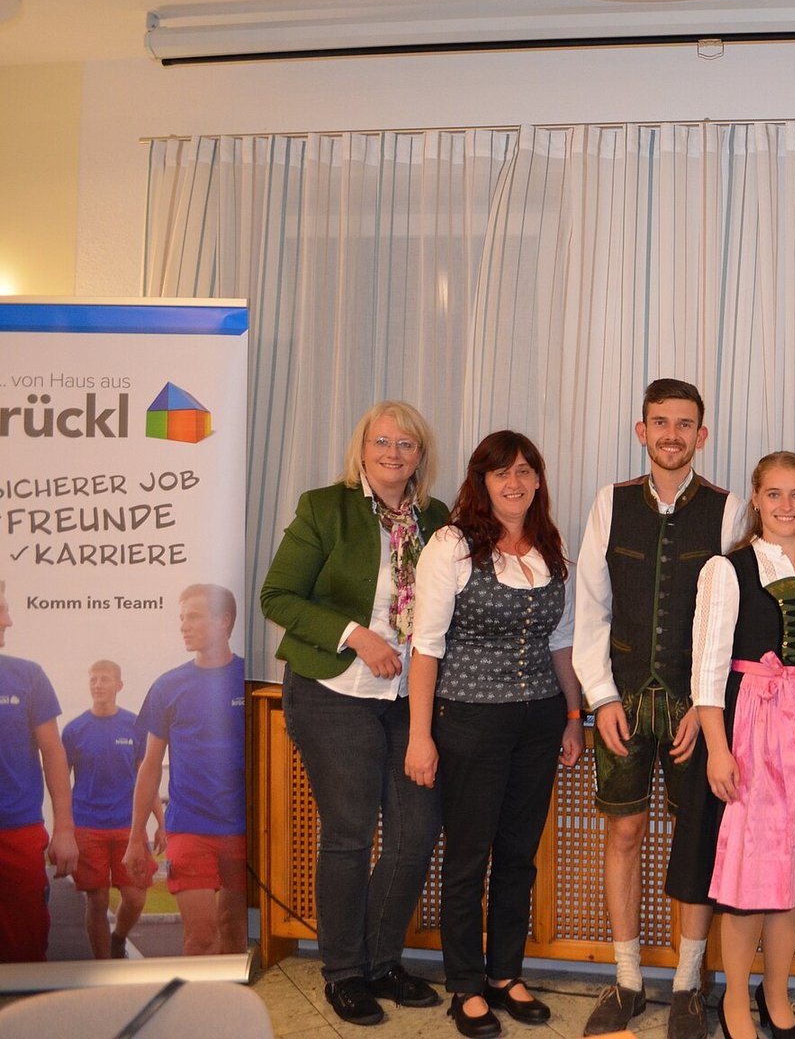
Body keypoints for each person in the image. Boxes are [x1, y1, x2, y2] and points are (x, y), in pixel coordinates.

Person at [259, 400, 448, 1025]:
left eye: (406, 444)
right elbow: (277, 595)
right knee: (349, 834)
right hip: (333, 691)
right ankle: (343, 973)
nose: (393, 453)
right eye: (382, 441)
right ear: (361, 449)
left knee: (415, 833)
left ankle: (383, 963)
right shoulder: (324, 508)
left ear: (421, 456)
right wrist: (355, 634)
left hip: (409, 700)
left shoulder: (438, 520)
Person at [573, 379, 744, 1039]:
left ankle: (687, 986)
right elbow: (591, 608)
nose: (672, 435)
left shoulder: (728, 510)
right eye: (660, 423)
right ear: (641, 431)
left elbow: (731, 623)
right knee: (623, 833)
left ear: (702, 435)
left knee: (695, 840)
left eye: (684, 424)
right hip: (620, 702)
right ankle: (626, 980)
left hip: (693, 709)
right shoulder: (610, 503)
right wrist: (600, 697)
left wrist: (705, 709)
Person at [406, 430, 585, 1039]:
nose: (515, 482)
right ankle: (464, 984)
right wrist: (420, 736)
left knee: (517, 855)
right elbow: (426, 648)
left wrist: (573, 716)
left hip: (538, 721)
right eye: (501, 472)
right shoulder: (452, 545)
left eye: (525, 471)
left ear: (538, 480)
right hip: (470, 721)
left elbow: (562, 641)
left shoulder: (553, 547)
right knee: (467, 857)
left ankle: (506, 973)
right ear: (481, 481)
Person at [680, 452, 795, 1039]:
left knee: (790, 875)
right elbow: (707, 669)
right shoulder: (728, 570)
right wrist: (718, 749)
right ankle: (733, 1002)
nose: (785, 505)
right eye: (773, 494)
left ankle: (776, 994)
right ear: (755, 499)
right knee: (749, 879)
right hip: (751, 728)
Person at [124, 583, 248, 958]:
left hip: (243, 829)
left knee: (234, 929)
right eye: (181, 617)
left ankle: (230, 997)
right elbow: (150, 767)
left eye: (193, 616)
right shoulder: (167, 686)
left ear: (224, 621)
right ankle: (200, 998)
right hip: (190, 828)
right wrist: (135, 838)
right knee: (201, 937)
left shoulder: (247, 678)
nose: (183, 625)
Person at [62, 659, 164, 959]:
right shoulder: (74, 730)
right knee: (97, 900)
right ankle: (104, 965)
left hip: (128, 828)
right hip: (87, 825)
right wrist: (62, 830)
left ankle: (118, 937)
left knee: (135, 897)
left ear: (119, 685)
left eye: (104, 679)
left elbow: (148, 780)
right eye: (93, 679)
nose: (98, 685)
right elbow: (60, 784)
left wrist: (161, 823)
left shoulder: (135, 727)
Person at [0, 579, 77, 963]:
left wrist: (64, 829)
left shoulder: (28, 676)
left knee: (25, 952)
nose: (8, 621)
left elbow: (53, 752)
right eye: (2, 611)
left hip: (18, 834)